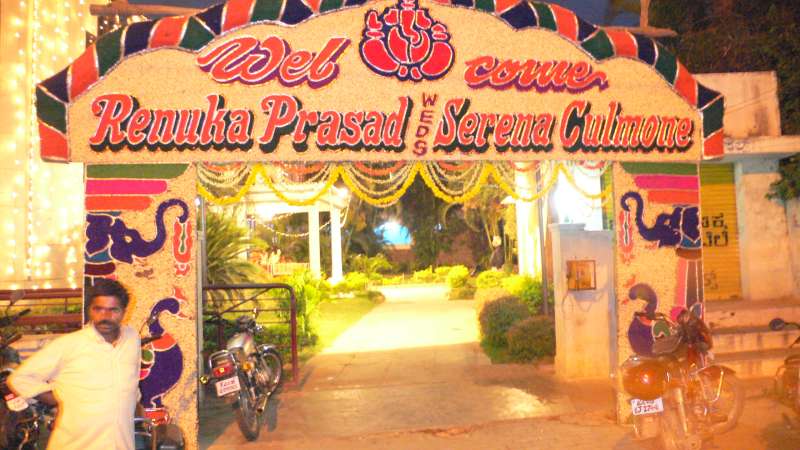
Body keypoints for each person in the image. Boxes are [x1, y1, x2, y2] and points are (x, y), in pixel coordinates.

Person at [9, 278, 141, 450]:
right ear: (90, 310)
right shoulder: (70, 344)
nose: (105, 317)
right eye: (98, 309)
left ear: (124, 312)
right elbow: (19, 379)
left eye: (113, 310)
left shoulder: (132, 339)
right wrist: (57, 399)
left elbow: (131, 382)